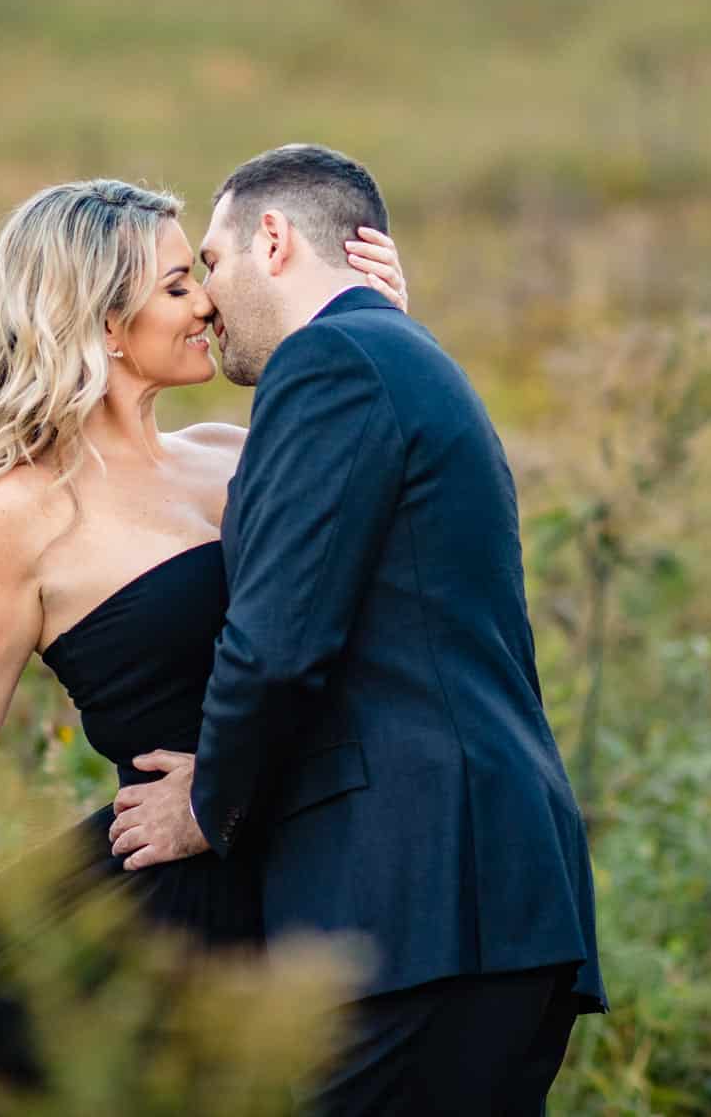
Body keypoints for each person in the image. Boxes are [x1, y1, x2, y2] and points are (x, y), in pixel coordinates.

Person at [0, 176, 410, 1113]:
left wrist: (383, 327)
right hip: (172, 910)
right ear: (100, 324)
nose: (211, 301)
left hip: (326, 866)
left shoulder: (235, 451)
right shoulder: (17, 513)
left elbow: (400, 522)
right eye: (178, 286)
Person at [105, 144, 606, 1116]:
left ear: (276, 240)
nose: (205, 299)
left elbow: (278, 643)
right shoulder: (391, 358)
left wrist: (209, 801)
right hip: (477, 899)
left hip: (419, 900)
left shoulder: (331, 363)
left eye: (211, 261)